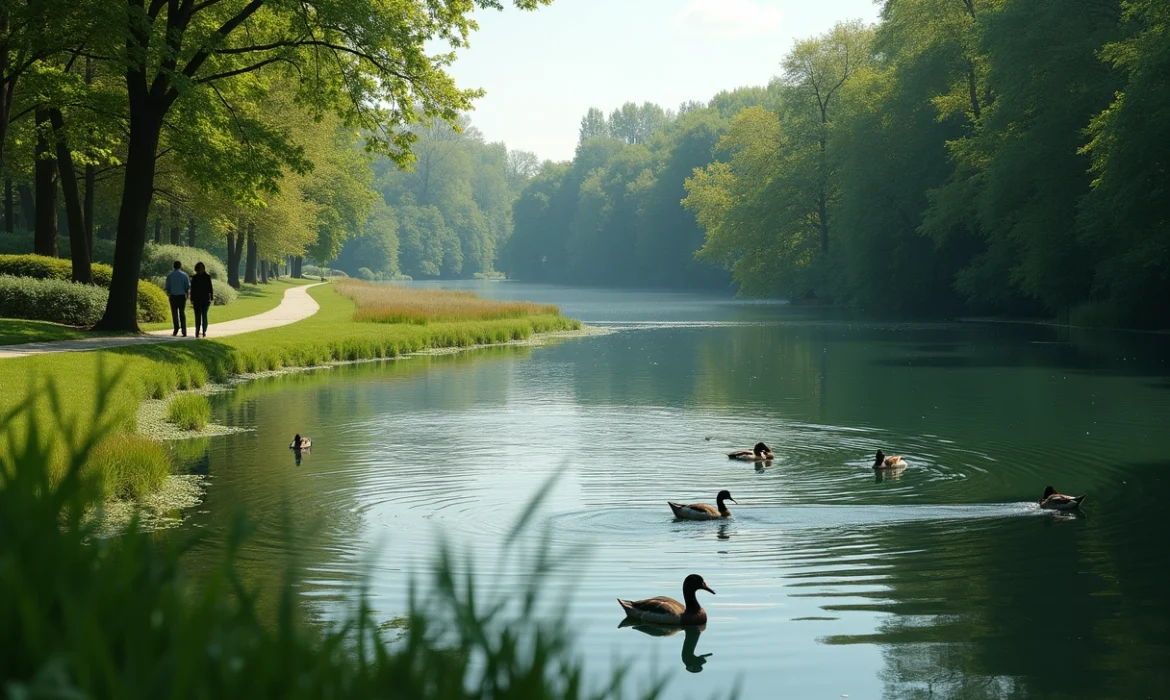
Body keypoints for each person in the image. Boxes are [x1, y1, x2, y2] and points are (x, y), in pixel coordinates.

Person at [164, 260, 190, 337]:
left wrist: (169, 293)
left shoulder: (170, 275)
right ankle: (184, 330)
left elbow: (168, 287)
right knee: (182, 312)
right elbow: (187, 286)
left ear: (174, 266)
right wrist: (186, 293)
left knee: (174, 313)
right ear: (180, 266)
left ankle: (176, 329)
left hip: (173, 296)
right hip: (182, 296)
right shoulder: (184, 275)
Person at [190, 261, 214, 338]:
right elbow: (210, 288)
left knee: (199, 315)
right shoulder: (207, 276)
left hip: (200, 299)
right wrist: (211, 297)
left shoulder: (195, 277)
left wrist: (192, 298)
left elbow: (192, 289)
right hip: (204, 299)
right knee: (203, 315)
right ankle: (202, 330)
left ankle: (200, 330)